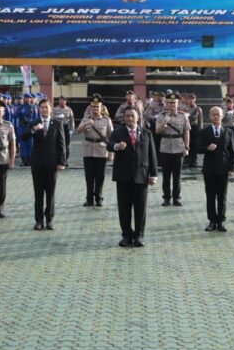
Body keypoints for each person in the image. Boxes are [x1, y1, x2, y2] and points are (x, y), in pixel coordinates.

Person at [107, 107, 158, 247]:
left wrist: (153, 174)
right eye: (127, 116)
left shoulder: (147, 133)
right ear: (124, 118)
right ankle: (126, 235)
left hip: (141, 176)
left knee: (140, 208)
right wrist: (117, 146)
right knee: (124, 208)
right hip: (123, 176)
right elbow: (109, 145)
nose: (130, 118)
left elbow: (152, 155)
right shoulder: (117, 132)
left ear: (138, 117)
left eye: (132, 116)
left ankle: (139, 235)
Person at [21, 99, 66, 230]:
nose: (44, 110)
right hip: (37, 164)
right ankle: (39, 220)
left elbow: (61, 144)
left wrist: (61, 162)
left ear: (50, 109)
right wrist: (34, 130)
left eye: (46, 107)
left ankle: (49, 219)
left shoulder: (57, 123)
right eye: (41, 107)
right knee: (38, 193)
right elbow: (23, 137)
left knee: (50, 193)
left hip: (52, 164)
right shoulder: (35, 122)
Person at [197, 106, 234, 232]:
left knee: (222, 196)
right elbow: (197, 149)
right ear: (209, 116)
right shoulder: (204, 131)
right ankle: (212, 221)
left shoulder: (228, 132)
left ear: (222, 116)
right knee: (210, 196)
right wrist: (207, 148)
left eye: (218, 114)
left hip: (223, 169)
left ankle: (221, 221)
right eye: (213, 114)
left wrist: (231, 168)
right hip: (209, 169)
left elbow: (232, 152)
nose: (216, 117)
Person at [75, 96, 113, 207]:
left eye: (97, 107)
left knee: (100, 176)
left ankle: (99, 198)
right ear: (90, 107)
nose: (95, 109)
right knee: (89, 176)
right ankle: (89, 199)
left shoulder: (107, 120)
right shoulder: (86, 118)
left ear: (101, 108)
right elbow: (77, 131)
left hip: (101, 150)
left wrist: (111, 153)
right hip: (88, 150)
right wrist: (85, 124)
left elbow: (111, 137)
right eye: (93, 106)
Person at [155, 92, 190, 206]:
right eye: (170, 103)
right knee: (165, 176)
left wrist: (186, 146)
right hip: (165, 148)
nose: (172, 105)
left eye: (174, 103)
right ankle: (166, 198)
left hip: (178, 147)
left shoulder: (183, 115)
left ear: (178, 103)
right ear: (166, 103)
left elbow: (186, 132)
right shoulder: (161, 116)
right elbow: (157, 131)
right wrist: (164, 123)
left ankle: (176, 198)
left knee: (177, 176)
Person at [53, 96, 75, 165]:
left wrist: (72, 129)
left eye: (63, 100)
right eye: (60, 100)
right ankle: (58, 160)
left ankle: (65, 160)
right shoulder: (55, 109)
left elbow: (72, 120)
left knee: (66, 145)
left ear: (66, 101)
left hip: (66, 128)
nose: (62, 102)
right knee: (57, 144)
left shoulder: (69, 109)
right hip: (57, 128)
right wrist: (57, 117)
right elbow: (51, 117)